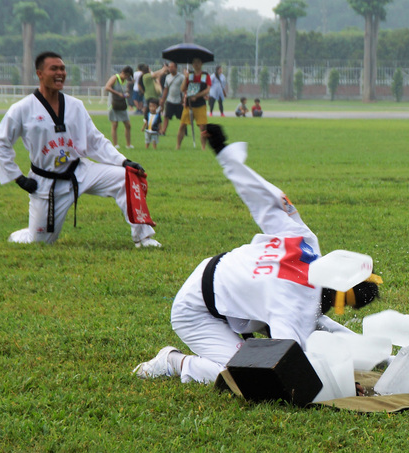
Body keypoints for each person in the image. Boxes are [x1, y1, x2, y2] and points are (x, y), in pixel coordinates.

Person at [132, 123, 381, 384]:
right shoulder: (294, 306)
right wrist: (340, 383)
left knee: (308, 325)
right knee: (246, 376)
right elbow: (288, 364)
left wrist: (223, 151)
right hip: (195, 311)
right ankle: (172, 361)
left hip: (224, 281)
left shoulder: (304, 242)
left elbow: (261, 196)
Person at [0, 51, 161, 248]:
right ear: (39, 73)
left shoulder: (75, 106)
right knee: (40, 241)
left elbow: (95, 141)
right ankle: (23, 234)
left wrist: (123, 161)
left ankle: (143, 237)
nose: (60, 73)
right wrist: (18, 178)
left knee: (125, 178)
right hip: (47, 181)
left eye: (62, 68)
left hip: (80, 171)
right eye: (53, 69)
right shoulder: (22, 108)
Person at [177, 57, 211, 150]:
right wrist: (185, 78)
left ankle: (203, 147)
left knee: (202, 127)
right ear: (192, 64)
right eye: (194, 62)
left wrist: (197, 96)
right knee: (182, 125)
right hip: (189, 105)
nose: (196, 64)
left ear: (201, 64)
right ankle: (178, 146)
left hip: (200, 105)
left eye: (198, 62)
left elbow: (207, 89)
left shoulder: (205, 75)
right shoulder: (189, 75)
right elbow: (182, 89)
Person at [104, 66, 134, 149]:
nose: (127, 77)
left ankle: (128, 145)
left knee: (128, 125)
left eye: (129, 76)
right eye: (127, 75)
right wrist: (118, 94)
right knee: (115, 124)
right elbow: (107, 87)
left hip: (122, 105)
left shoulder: (125, 81)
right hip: (114, 104)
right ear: (123, 72)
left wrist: (126, 94)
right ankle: (115, 145)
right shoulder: (115, 78)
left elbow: (125, 90)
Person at [160, 61, 185, 135]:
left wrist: (183, 99)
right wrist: (162, 99)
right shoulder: (167, 77)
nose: (170, 68)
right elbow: (166, 89)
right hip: (170, 100)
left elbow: (184, 88)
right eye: (169, 67)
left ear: (176, 68)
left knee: (182, 118)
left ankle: (184, 131)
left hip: (179, 101)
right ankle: (163, 131)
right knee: (166, 116)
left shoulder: (181, 77)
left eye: (172, 67)